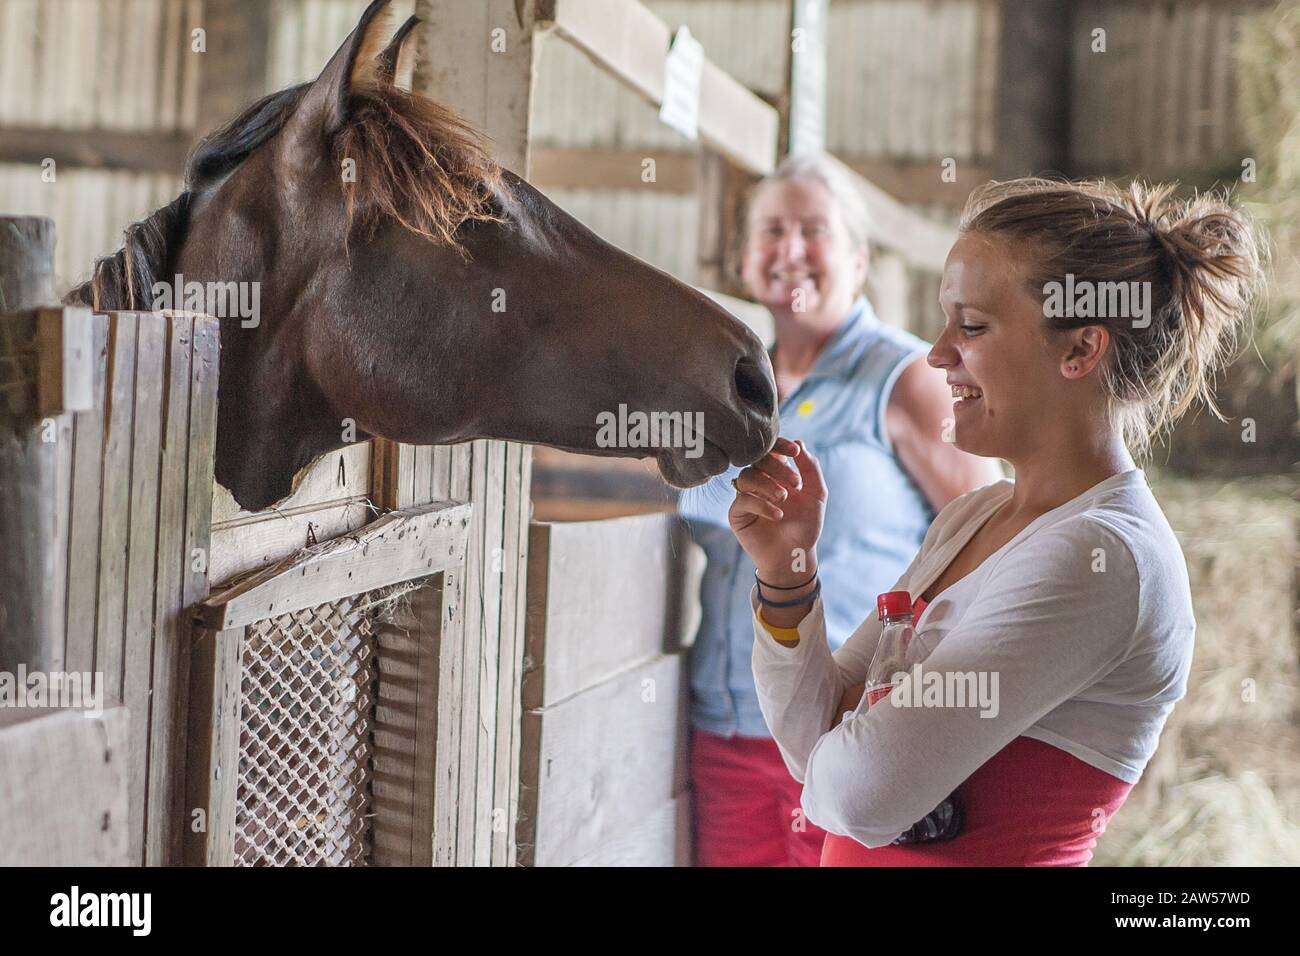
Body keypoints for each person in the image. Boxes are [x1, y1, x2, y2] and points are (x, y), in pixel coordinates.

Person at [732, 178, 1263, 865]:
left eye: (973, 326)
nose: (937, 352)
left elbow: (860, 797)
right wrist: (786, 578)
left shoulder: (1101, 556)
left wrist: (853, 741)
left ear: (1080, 349)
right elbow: (814, 747)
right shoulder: (974, 515)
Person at [678, 154, 1002, 867]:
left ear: (858, 261)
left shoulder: (908, 377)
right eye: (771, 231)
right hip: (725, 733)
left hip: (854, 738)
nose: (789, 251)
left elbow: (992, 541)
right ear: (745, 258)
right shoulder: (723, 390)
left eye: (813, 231)